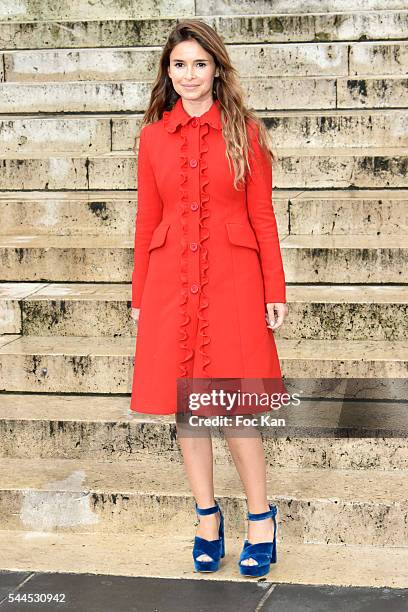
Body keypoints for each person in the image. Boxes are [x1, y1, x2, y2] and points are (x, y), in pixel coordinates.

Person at [130, 19, 288, 578]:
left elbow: (262, 215)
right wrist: (139, 294)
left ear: (216, 68)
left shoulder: (246, 131)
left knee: (233, 406)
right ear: (167, 73)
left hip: (233, 279)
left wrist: (275, 287)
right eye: (179, 64)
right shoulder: (152, 138)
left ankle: (261, 519)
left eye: (200, 63)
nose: (189, 74)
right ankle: (206, 517)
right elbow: (148, 218)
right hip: (170, 280)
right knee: (188, 410)